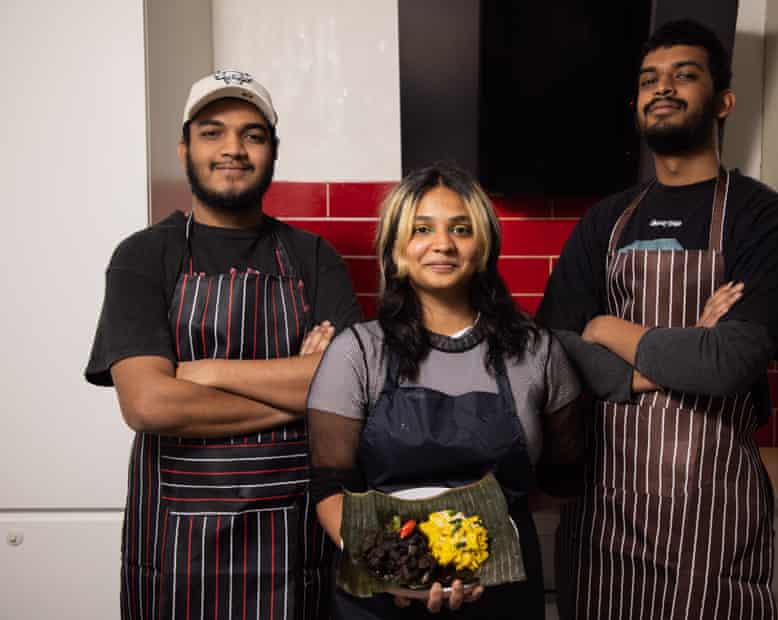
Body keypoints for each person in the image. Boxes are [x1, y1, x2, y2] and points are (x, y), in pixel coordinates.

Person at [536, 19, 778, 620]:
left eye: (685, 75)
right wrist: (685, 351)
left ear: (723, 101)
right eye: (648, 80)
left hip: (711, 514)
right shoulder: (605, 221)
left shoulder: (766, 220)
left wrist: (606, 328)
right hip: (604, 508)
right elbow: (550, 353)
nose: (662, 89)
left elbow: (727, 365)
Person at [86, 70, 362, 619]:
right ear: (185, 148)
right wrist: (299, 388)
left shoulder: (313, 256)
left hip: (293, 541)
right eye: (213, 132)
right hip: (176, 555)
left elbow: (353, 389)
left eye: (253, 135)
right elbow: (148, 404)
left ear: (273, 152)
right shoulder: (144, 256)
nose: (233, 149)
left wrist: (201, 371)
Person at [305, 162, 583, 619]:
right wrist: (400, 569)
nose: (442, 244)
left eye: (460, 228)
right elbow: (331, 489)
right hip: (380, 593)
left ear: (484, 244)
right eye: (421, 229)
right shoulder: (357, 352)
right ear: (397, 248)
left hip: (504, 598)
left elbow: (562, 478)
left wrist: (484, 553)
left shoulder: (537, 352)